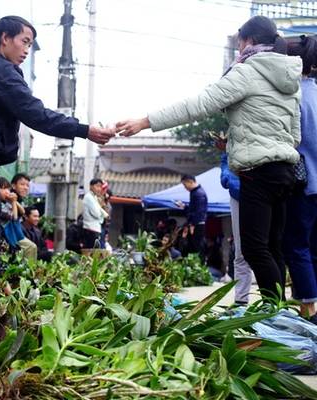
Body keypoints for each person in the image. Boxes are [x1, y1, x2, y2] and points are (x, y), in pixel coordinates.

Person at [116, 15, 301, 300]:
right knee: (272, 246)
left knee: (253, 248)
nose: (239, 50)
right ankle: (279, 315)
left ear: (249, 41)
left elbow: (200, 105)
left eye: (240, 44)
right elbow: (294, 133)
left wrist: (146, 121)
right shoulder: (289, 78)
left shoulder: (247, 71)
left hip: (258, 171)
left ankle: (273, 312)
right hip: (285, 170)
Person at [0, 16, 116, 276]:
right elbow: (36, 114)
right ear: (4, 38)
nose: (26, 50)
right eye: (24, 42)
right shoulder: (0, 70)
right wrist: (85, 130)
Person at [283, 36, 317, 323]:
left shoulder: (293, 98)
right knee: (314, 248)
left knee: (297, 246)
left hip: (303, 183)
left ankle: (308, 310)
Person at [220, 150, 253, 305]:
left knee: (242, 253)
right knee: (271, 251)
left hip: (242, 192)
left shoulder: (233, 150)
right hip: (273, 188)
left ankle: (241, 300)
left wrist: (225, 155)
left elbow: (226, 180)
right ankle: (274, 303)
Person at [0, 177, 37, 265]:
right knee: (30, 247)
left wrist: (14, 201)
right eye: (22, 184)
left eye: (27, 185)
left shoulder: (8, 199)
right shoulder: (0, 204)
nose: (25, 188)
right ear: (14, 186)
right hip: (7, 236)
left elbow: (22, 211)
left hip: (13, 235)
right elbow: (14, 217)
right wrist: (13, 202)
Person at [175, 175, 208, 260]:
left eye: (185, 185)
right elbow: (193, 210)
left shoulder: (199, 193)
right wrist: (184, 207)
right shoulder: (195, 192)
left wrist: (193, 224)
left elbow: (199, 211)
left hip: (197, 224)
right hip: (194, 223)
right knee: (191, 247)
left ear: (190, 182)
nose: (185, 188)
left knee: (195, 247)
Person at [82, 179, 109, 249]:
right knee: (92, 252)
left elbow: (100, 210)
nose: (99, 189)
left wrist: (105, 214)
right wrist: (102, 215)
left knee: (96, 252)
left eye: (100, 187)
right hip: (90, 229)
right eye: (97, 186)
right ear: (91, 186)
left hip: (95, 229)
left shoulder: (94, 197)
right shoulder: (89, 197)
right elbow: (96, 213)